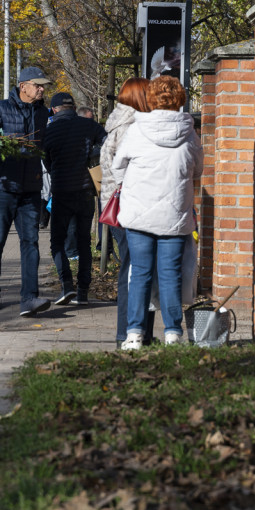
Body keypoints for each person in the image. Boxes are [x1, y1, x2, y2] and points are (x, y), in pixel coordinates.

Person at [112, 76, 203, 350]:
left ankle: (134, 335)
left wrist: (129, 183)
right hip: (175, 216)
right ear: (180, 99)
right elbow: (197, 170)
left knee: (139, 273)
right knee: (171, 273)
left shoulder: (137, 130)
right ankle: (173, 334)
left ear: (151, 99)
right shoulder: (189, 132)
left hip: (138, 213)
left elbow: (118, 167)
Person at [0, 66, 53, 316]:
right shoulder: (1, 109)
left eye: (43, 85)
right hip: (3, 188)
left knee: (31, 242)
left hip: (31, 189)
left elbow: (46, 148)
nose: (42, 88)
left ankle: (29, 298)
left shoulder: (43, 113)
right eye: (38, 85)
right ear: (23, 87)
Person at [100, 76, 151, 347]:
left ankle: (129, 332)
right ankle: (129, 333)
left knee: (131, 268)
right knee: (134, 270)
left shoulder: (116, 123)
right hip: (130, 206)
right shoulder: (133, 125)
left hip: (116, 206)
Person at [42, 91, 107, 305]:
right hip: (85, 191)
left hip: (61, 192)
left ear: (54, 109)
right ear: (73, 107)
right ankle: (82, 291)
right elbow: (107, 141)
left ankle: (67, 285)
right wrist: (93, 157)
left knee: (57, 242)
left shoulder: (49, 131)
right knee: (83, 243)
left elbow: (48, 162)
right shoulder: (88, 125)